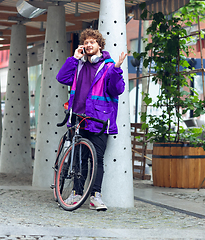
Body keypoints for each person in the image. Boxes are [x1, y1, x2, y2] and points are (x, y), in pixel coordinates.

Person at [56, 28, 127, 211]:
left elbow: (117, 90)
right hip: (78, 118)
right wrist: (74, 58)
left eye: (92, 42)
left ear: (99, 45)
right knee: (79, 159)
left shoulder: (109, 66)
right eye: (86, 42)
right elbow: (61, 77)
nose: (88, 45)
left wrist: (117, 70)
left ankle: (95, 196)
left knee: (97, 160)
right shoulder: (78, 64)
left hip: (99, 120)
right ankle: (77, 194)